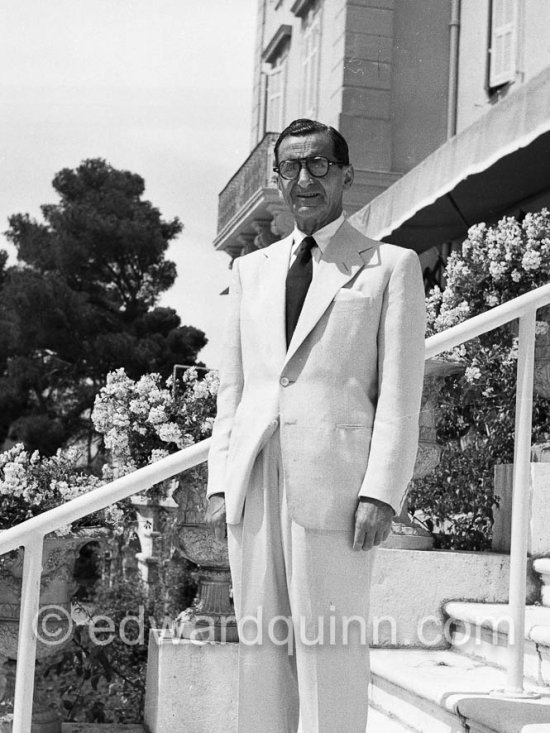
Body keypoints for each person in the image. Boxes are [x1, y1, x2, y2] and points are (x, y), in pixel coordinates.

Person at [205, 118, 426, 733]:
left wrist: (382, 491)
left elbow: (401, 393)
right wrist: (223, 482)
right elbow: (235, 388)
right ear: (277, 180)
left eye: (319, 165)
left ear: (346, 175)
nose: (303, 179)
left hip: (337, 486)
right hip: (255, 478)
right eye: (291, 167)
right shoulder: (250, 272)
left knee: (331, 649)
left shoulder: (390, 266)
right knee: (260, 651)